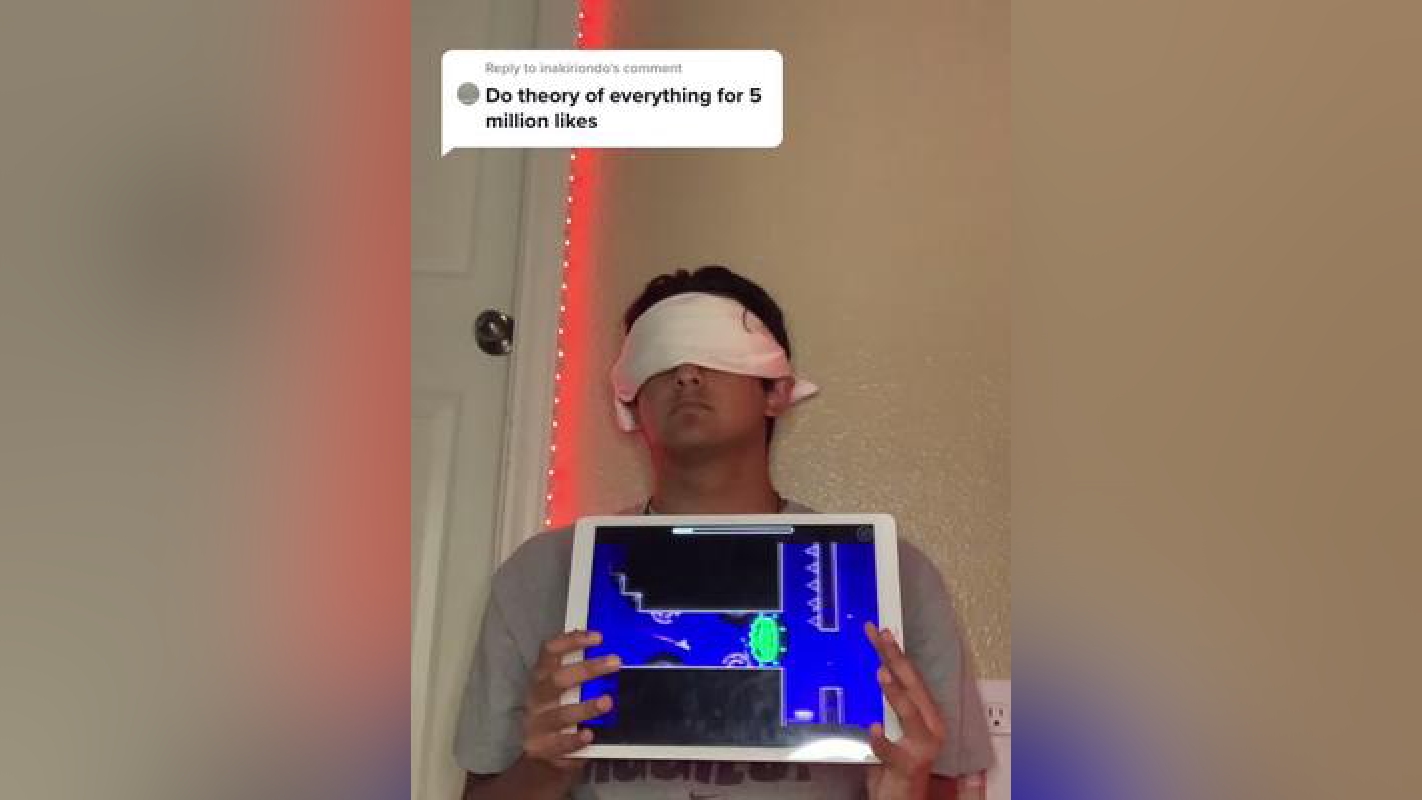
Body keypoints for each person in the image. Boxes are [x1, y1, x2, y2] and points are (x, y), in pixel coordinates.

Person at [454, 266, 993, 799]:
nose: (687, 374)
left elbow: (946, 785)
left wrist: (905, 789)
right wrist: (544, 767)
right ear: (630, 401)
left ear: (777, 391)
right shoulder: (541, 575)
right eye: (661, 357)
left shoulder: (892, 575)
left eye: (715, 354)